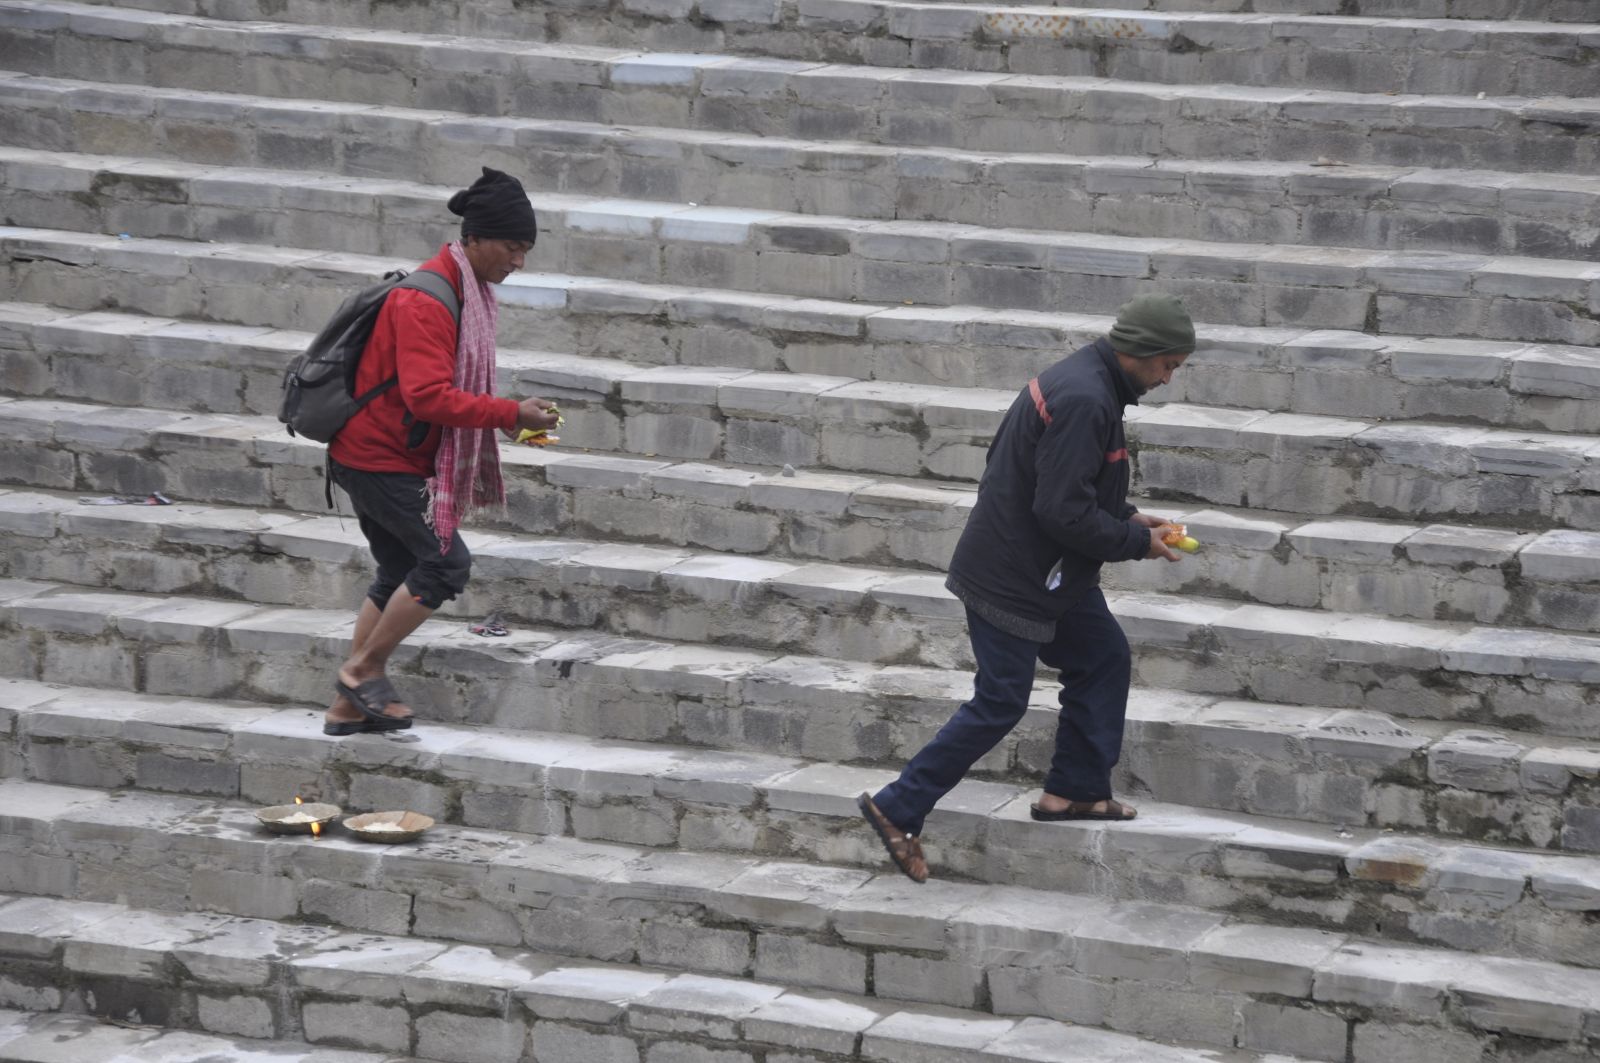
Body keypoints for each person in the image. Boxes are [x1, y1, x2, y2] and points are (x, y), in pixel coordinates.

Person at [857, 293, 1197, 882]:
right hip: (1013, 576)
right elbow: (1062, 511)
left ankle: (1076, 790)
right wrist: (1135, 541)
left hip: (1049, 569)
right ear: (1140, 351)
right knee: (1000, 700)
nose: (1168, 378)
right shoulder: (1086, 398)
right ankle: (898, 806)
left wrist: (1128, 517)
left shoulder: (1088, 382)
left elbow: (1064, 484)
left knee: (1103, 657)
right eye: (1168, 365)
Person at [321, 167, 561, 736]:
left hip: (381, 454)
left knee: (399, 569)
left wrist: (510, 420)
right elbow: (427, 397)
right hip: (378, 458)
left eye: (525, 250)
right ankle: (362, 671)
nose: (519, 261)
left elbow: (442, 395)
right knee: (447, 564)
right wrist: (509, 413)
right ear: (473, 239)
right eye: (511, 247)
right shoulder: (426, 300)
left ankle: (347, 709)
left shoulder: (463, 291)